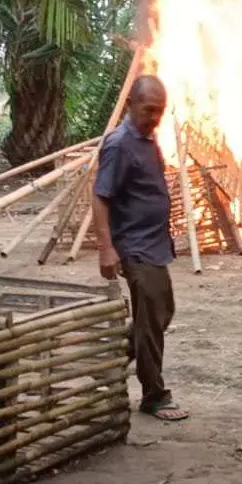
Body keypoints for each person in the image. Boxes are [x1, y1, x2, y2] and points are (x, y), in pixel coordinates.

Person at [92, 74, 188, 422]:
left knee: (162, 313)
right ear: (131, 104)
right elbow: (100, 197)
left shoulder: (147, 139)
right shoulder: (119, 144)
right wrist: (106, 248)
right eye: (149, 109)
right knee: (150, 321)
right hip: (135, 246)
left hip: (153, 244)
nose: (155, 117)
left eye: (160, 110)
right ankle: (154, 396)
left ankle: (110, 360)